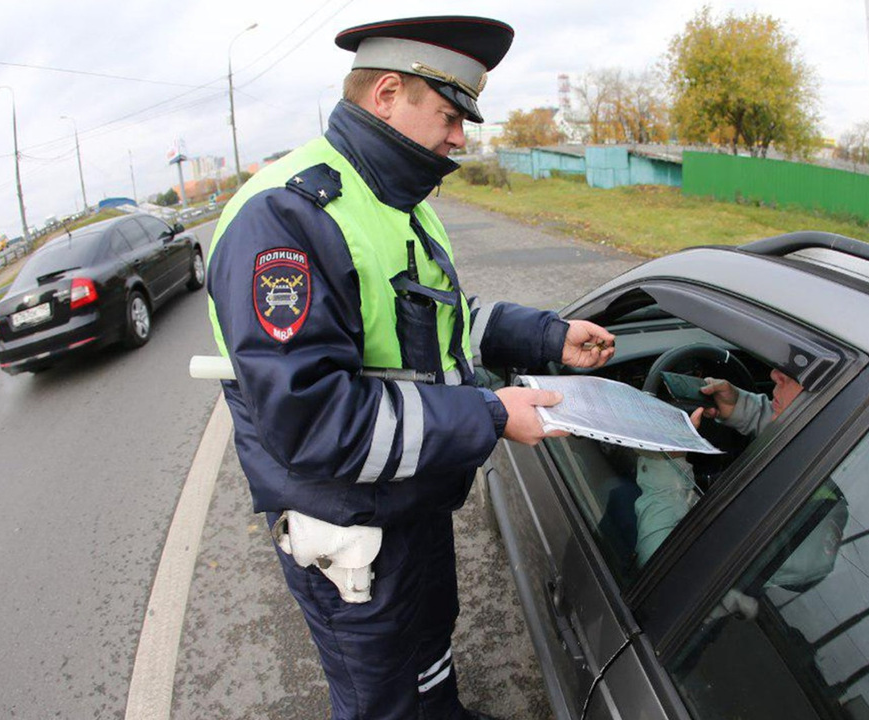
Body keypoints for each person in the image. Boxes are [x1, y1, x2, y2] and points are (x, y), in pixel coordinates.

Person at [204, 15, 616, 720]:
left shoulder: (397, 203)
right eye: (452, 115)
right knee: (382, 693)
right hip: (351, 525)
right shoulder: (287, 216)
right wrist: (490, 415)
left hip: (410, 498)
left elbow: (437, 326)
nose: (461, 139)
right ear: (388, 93)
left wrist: (549, 338)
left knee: (428, 642)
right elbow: (313, 420)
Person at [633, 369, 803, 565]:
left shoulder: (810, 530)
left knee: (616, 493)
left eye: (799, 373)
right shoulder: (824, 433)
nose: (775, 374)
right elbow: (802, 417)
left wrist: (663, 460)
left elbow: (661, 571)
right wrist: (741, 407)